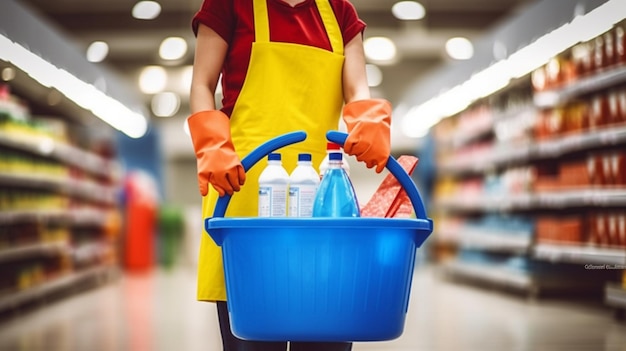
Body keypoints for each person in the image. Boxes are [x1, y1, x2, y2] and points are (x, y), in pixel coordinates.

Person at [187, 0, 392, 349]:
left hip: (322, 201)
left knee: (325, 332)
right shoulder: (231, 4)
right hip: (245, 194)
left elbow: (357, 89)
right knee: (254, 338)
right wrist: (211, 143)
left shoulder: (339, 11)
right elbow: (202, 84)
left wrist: (367, 118)